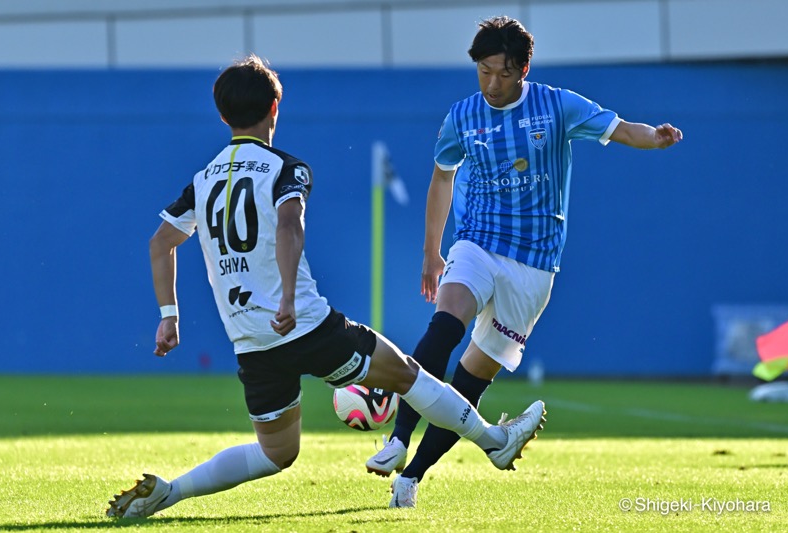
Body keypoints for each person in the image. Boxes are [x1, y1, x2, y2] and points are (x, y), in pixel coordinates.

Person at [105, 54, 547, 519]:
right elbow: (289, 226)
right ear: (276, 108)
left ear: (221, 115)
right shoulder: (286, 168)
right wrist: (291, 299)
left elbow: (161, 243)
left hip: (251, 341)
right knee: (409, 376)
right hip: (305, 324)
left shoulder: (202, 180)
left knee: (276, 453)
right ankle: (496, 442)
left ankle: (169, 492)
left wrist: (168, 316)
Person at [366, 16, 683, 508]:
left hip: (534, 267)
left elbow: (622, 129)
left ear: (524, 69)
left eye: (504, 73)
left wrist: (655, 137)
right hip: (476, 244)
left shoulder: (557, 106)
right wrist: (432, 251)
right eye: (484, 71)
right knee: (446, 326)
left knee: (469, 382)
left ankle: (411, 479)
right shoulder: (462, 117)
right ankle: (398, 438)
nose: (493, 83)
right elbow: (442, 178)